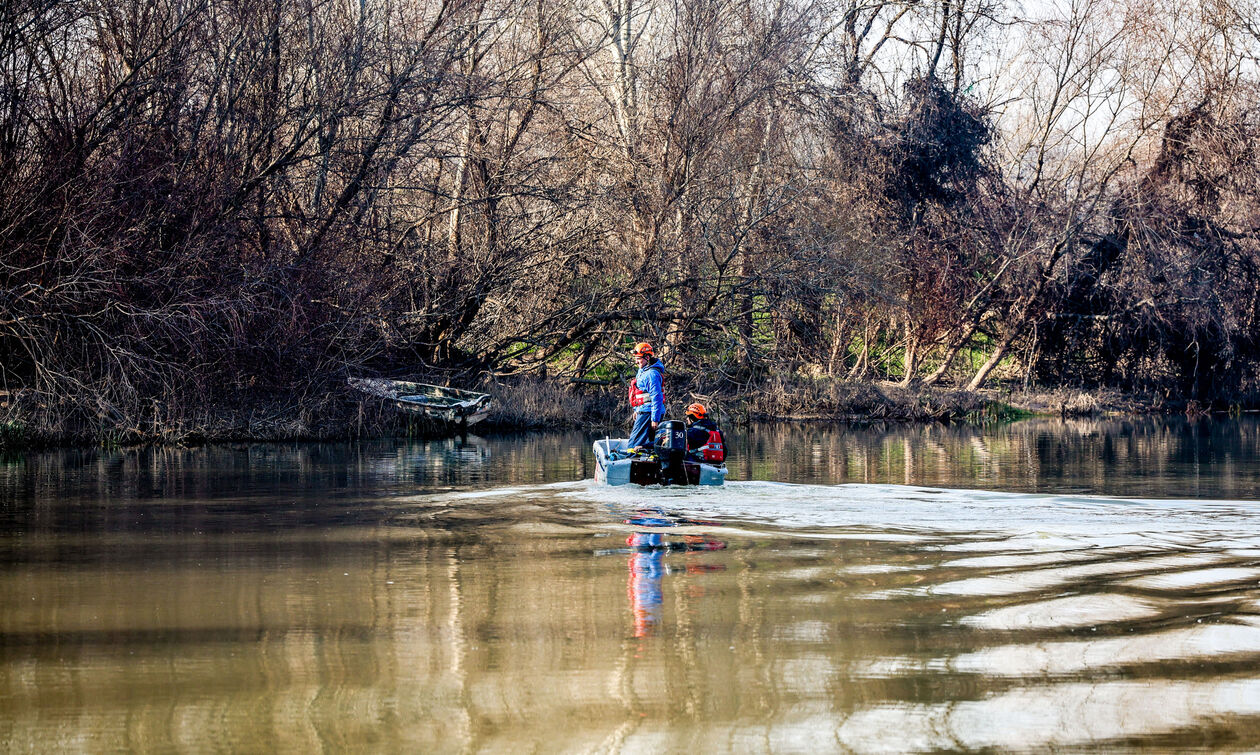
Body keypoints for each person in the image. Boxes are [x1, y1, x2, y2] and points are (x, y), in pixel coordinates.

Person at [626, 342, 665, 450]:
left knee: (633, 444)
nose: (636, 361)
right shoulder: (642, 371)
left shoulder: (652, 374)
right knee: (649, 442)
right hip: (643, 410)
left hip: (649, 412)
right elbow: (640, 393)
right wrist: (636, 410)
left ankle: (631, 460)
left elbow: (656, 397)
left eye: (638, 358)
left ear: (647, 357)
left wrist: (655, 419)